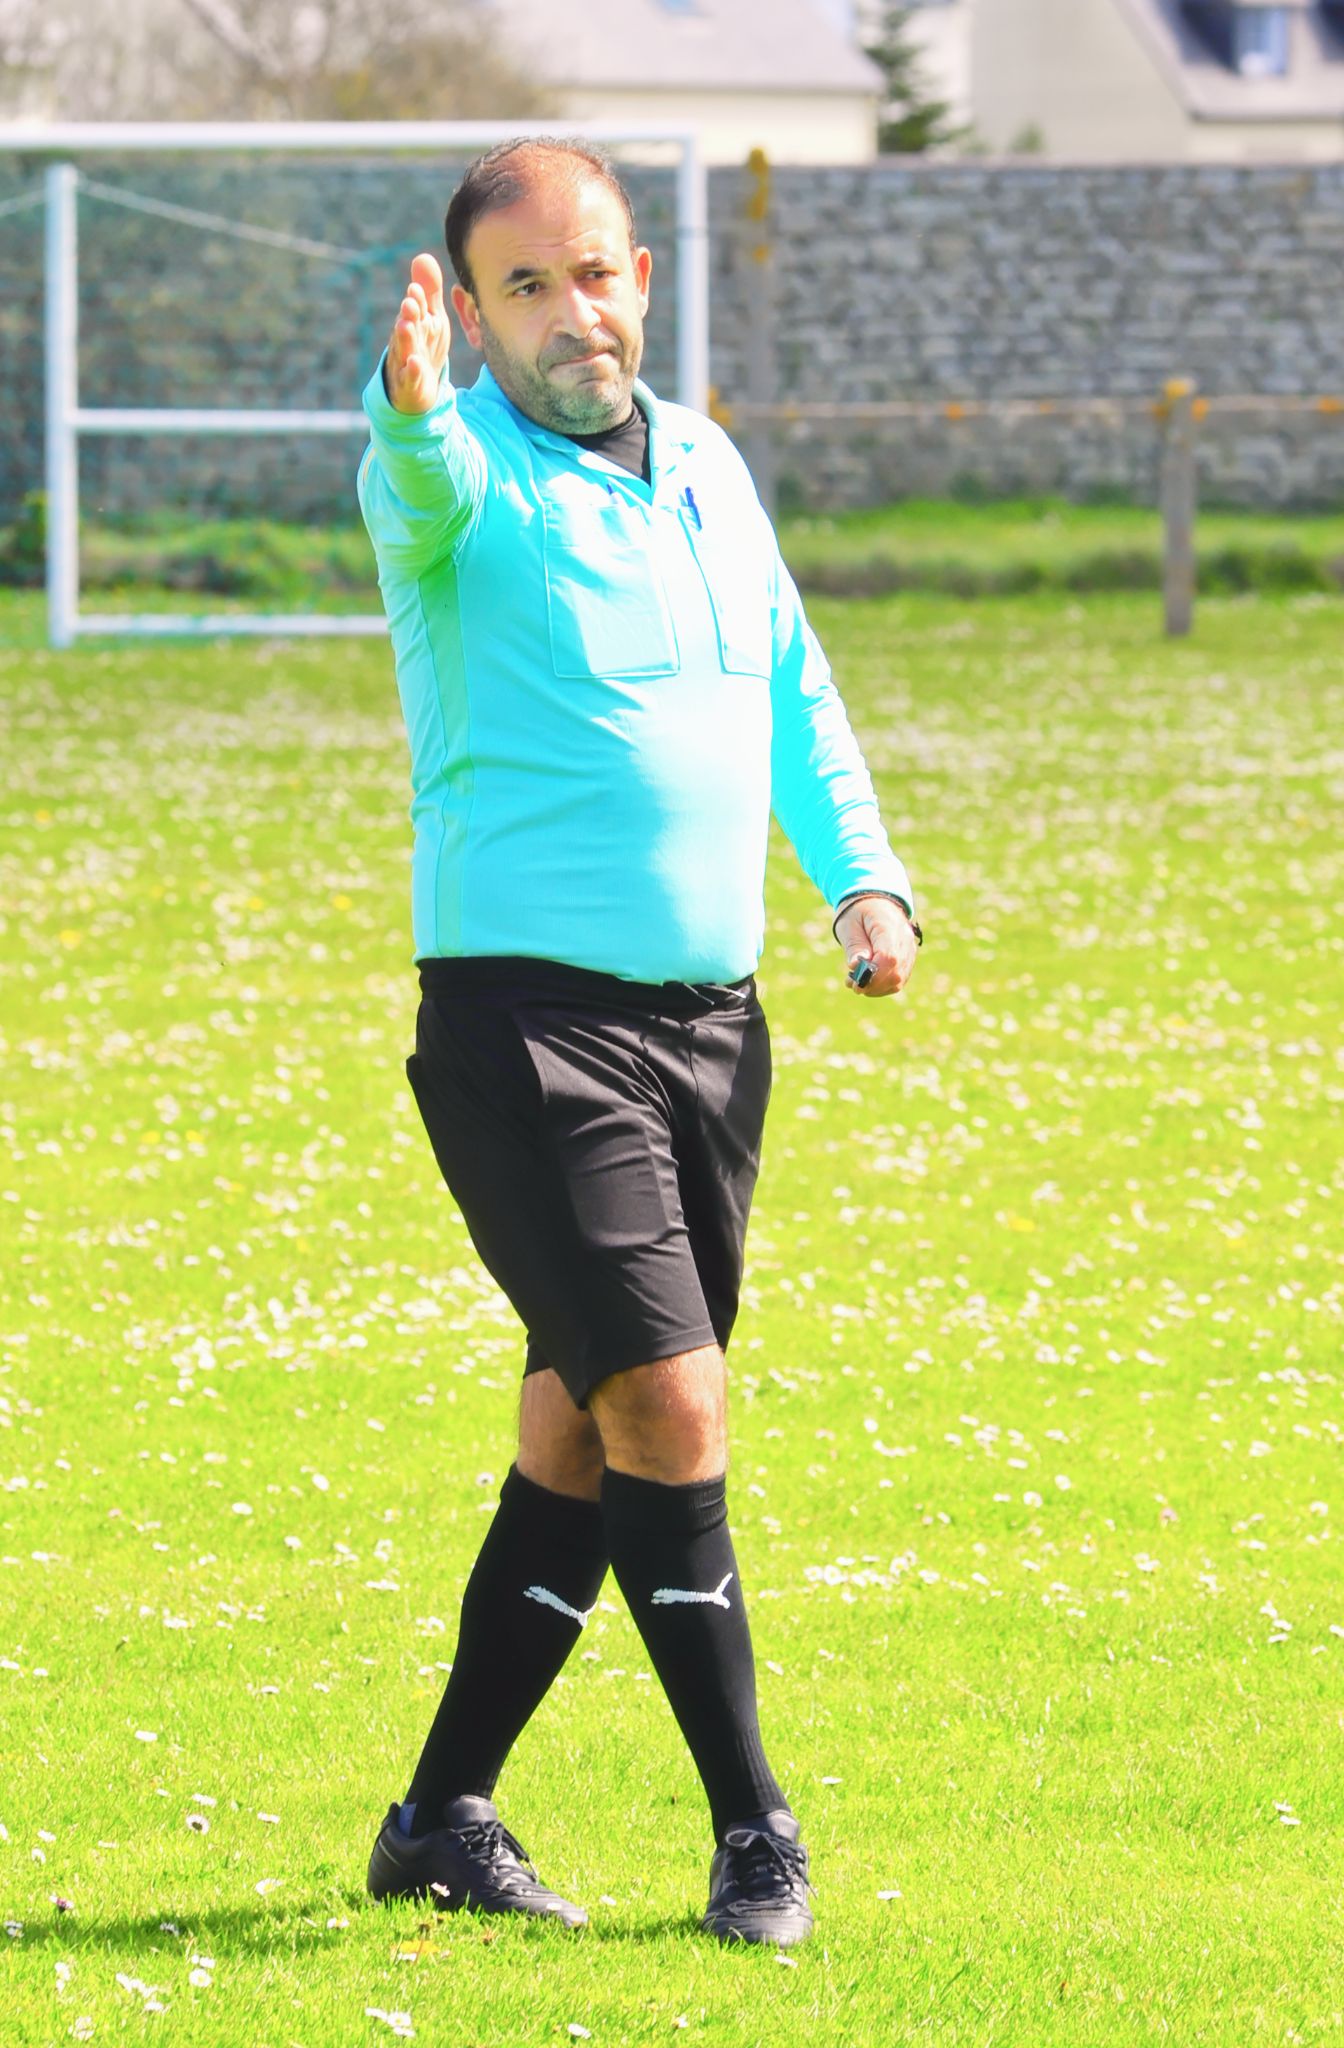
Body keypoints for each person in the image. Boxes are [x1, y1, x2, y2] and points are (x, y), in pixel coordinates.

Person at [357, 138, 919, 1950]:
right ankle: (759, 1834)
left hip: (713, 1027)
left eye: (591, 273)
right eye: (523, 286)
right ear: (471, 314)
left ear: (642, 279)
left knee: (584, 1432)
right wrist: (410, 410)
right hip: (527, 1025)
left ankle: (440, 1819)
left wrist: (863, 878)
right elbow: (418, 475)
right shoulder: (457, 477)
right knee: (669, 1403)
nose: (569, 312)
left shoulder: (710, 469)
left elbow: (791, 688)